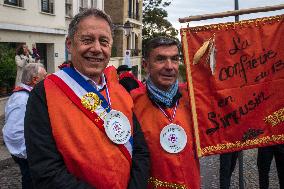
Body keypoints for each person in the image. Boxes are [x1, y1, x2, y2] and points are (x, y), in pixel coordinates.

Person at [24, 8, 149, 189]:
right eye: (87, 40)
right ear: (69, 44)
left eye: (104, 41)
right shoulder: (44, 93)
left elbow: (140, 151)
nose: (97, 48)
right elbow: (45, 170)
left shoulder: (120, 91)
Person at [131, 37, 200, 188]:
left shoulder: (194, 98)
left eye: (174, 59)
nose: (169, 66)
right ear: (146, 65)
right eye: (161, 59)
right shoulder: (131, 103)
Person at [2, 63, 47, 189]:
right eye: (45, 76)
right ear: (35, 80)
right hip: (27, 154)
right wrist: (30, 154)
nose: (47, 79)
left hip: (30, 152)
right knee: (30, 182)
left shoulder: (28, 96)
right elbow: (13, 133)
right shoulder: (22, 99)